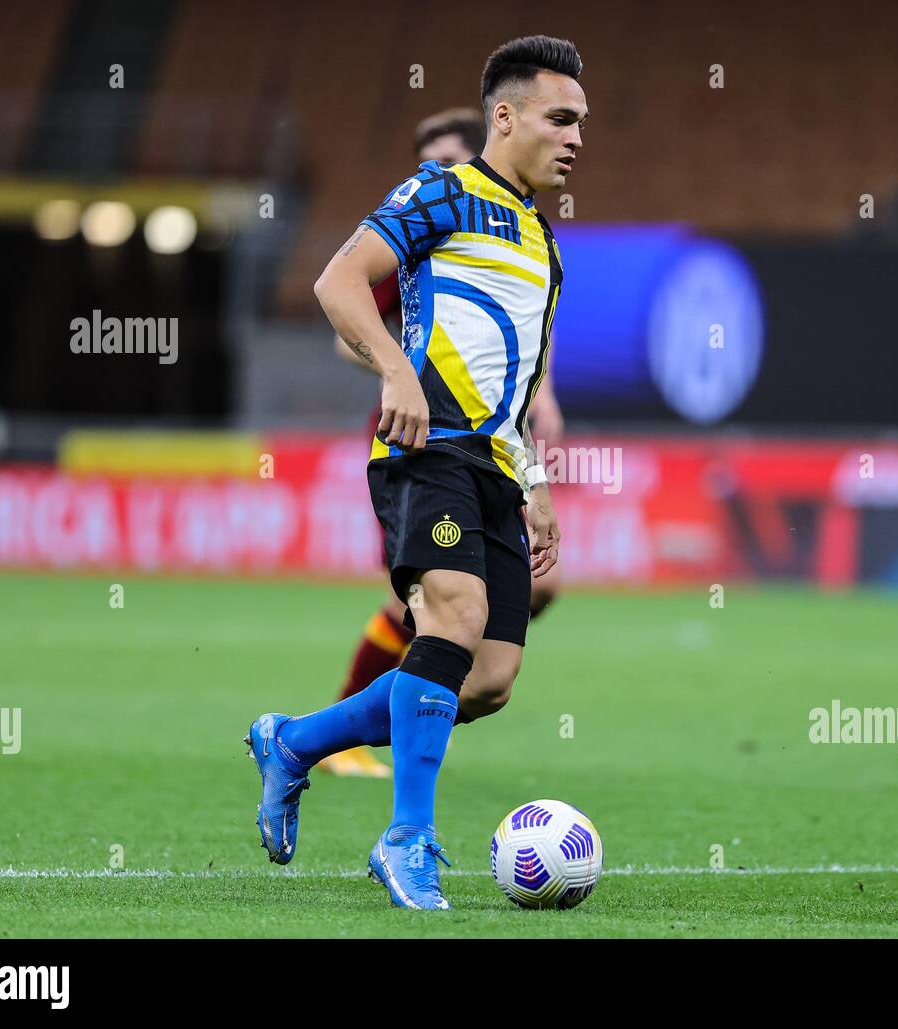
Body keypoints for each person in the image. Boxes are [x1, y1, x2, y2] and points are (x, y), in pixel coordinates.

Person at [246, 35, 587, 910]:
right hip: (425, 450)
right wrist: (397, 370)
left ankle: (295, 741)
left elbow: (518, 385)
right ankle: (408, 839)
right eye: (560, 117)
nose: (576, 136)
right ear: (503, 116)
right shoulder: (441, 191)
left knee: (487, 678)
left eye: (582, 121)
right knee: (455, 615)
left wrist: (537, 481)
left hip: (498, 467)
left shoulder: (545, 246)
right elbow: (337, 282)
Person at [322, 106, 564, 778]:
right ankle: (359, 731)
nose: (433, 171)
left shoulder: (509, 228)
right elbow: (343, 316)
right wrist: (401, 364)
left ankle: (382, 716)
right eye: (424, 160)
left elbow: (519, 341)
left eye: (445, 158)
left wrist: (542, 403)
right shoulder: (421, 227)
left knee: (521, 604)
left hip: (498, 446)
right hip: (422, 436)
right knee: (434, 607)